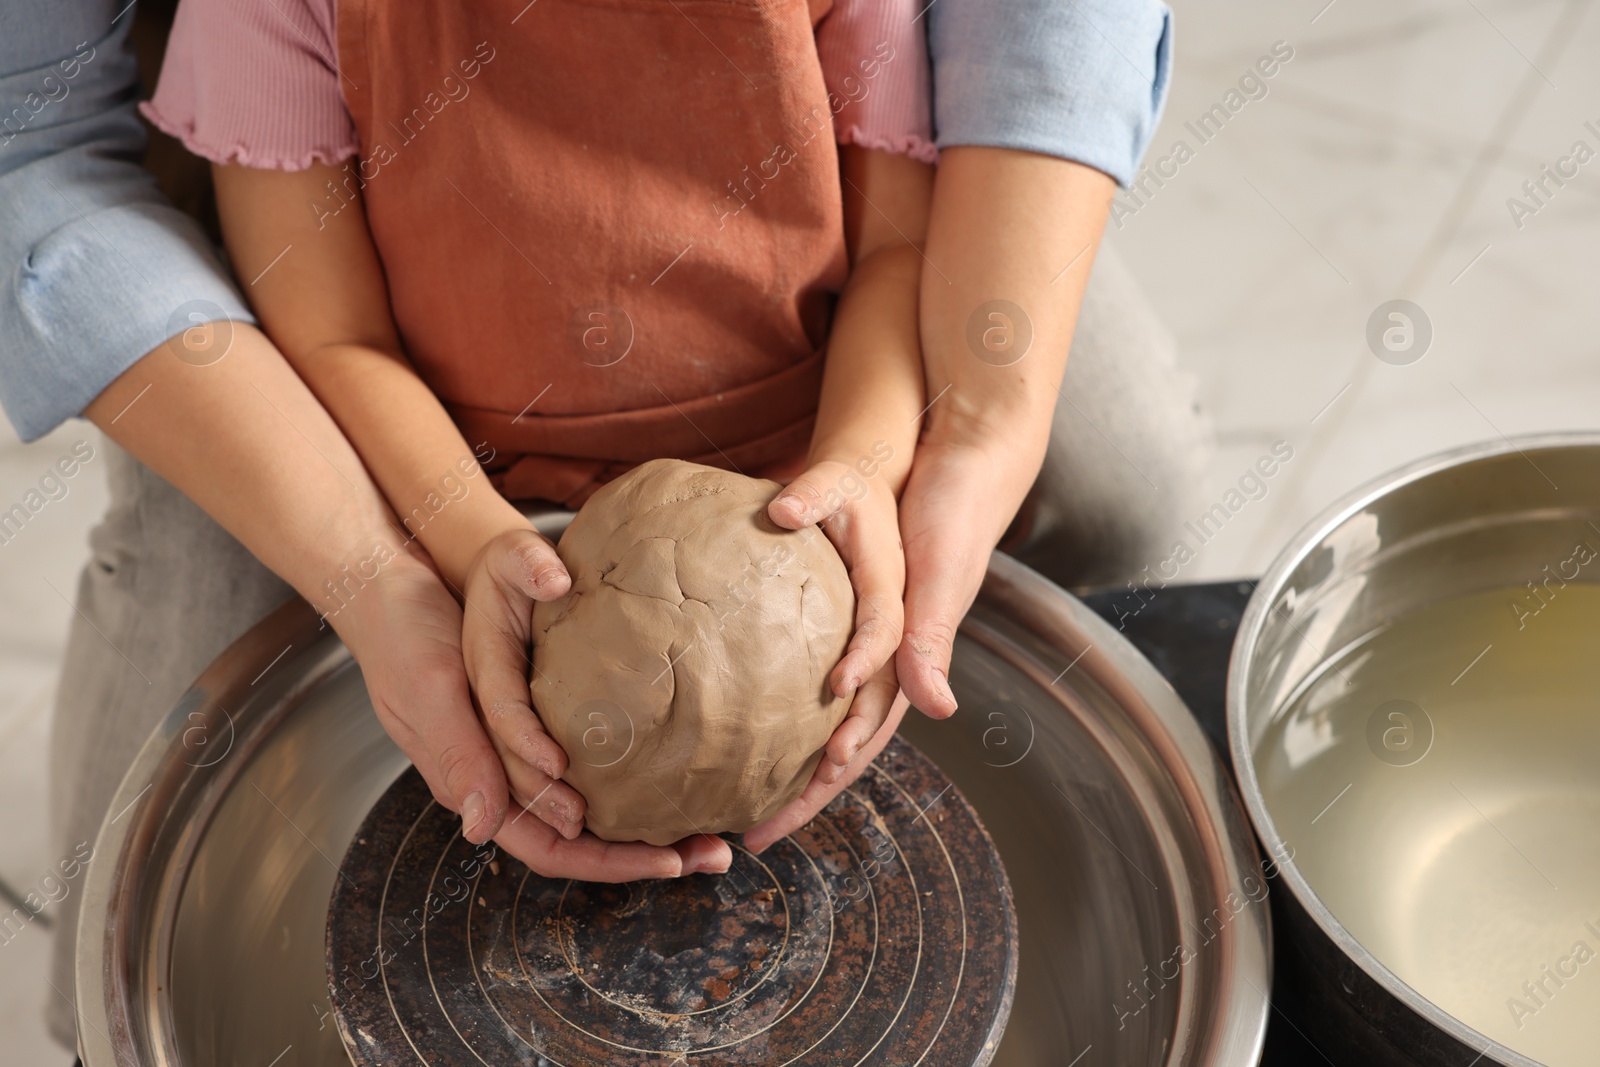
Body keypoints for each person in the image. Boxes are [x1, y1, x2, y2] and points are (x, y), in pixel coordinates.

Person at [0, 0, 1204, 1052]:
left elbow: (896, 252)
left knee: (1124, 490)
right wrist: (453, 546)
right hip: (443, 435)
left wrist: (871, 461)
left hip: (801, 387)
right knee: (192, 682)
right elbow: (334, 338)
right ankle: (93, 1019)